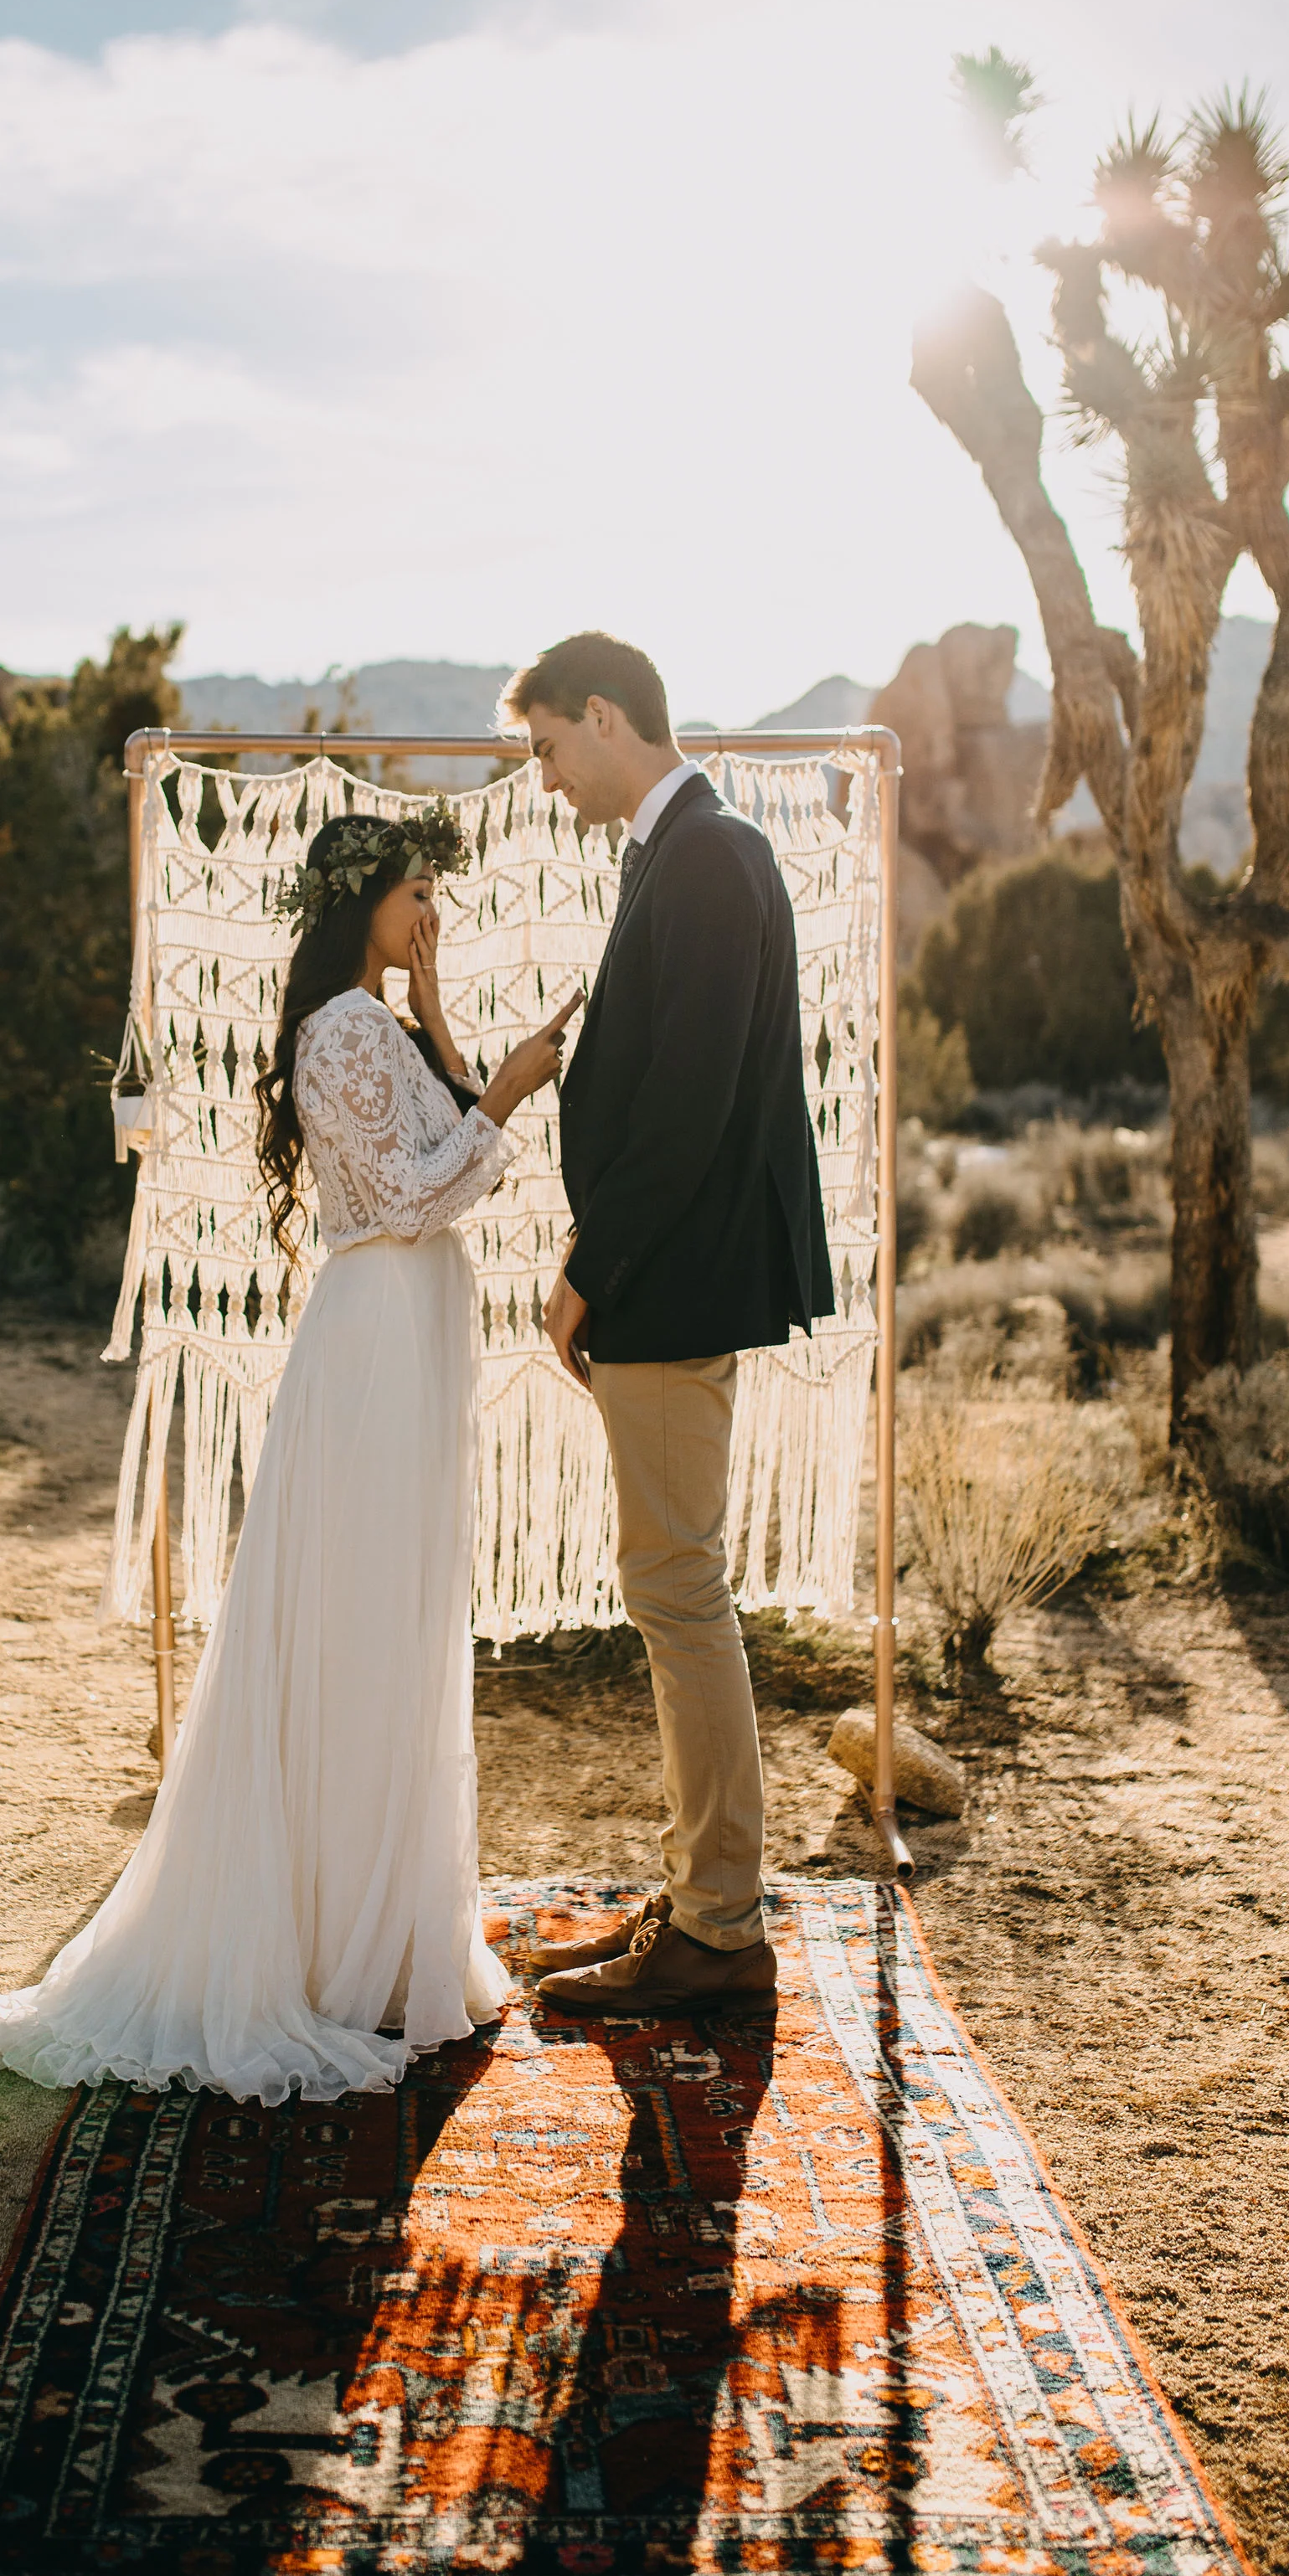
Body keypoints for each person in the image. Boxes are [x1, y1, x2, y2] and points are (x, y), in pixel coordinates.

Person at [0, 803, 576, 2105]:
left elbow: (449, 1138)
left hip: (406, 1343)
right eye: (420, 893)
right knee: (354, 1623)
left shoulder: (385, 1022)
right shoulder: (338, 1033)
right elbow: (417, 1197)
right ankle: (322, 1945)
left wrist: (457, 1018)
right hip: (370, 1347)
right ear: (365, 898)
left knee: (396, 1625)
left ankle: (375, 1932)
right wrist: (515, 1090)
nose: (433, 912)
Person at [502, 631, 835, 2016]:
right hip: (672, 1273)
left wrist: (591, 1265)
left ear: (601, 715)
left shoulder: (704, 854)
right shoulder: (685, 848)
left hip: (671, 1277)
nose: (544, 778)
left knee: (679, 1595)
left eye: (546, 749)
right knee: (675, 1589)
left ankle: (716, 1929)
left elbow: (691, 1104)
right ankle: (705, 1895)